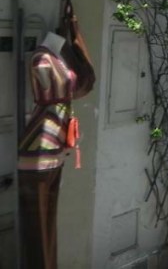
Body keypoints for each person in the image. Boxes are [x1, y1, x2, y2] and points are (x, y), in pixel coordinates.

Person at [18, 31, 77, 269]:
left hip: (55, 148)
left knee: (49, 222)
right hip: (38, 146)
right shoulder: (41, 58)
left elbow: (83, 82)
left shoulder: (58, 55)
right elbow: (50, 89)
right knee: (37, 226)